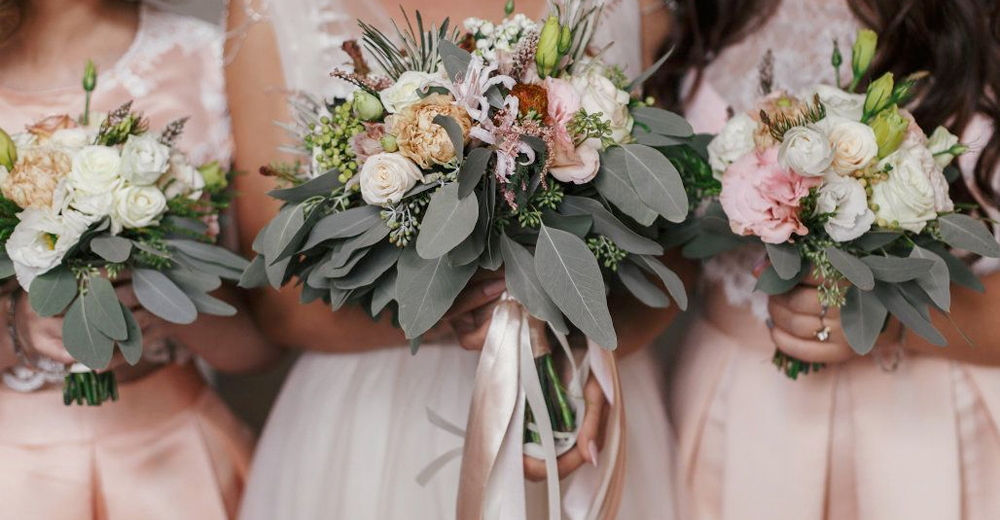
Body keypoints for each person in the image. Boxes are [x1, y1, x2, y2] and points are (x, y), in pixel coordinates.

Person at [225, 0, 688, 518]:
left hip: (588, 387)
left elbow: (677, 241)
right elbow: (276, 302)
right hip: (382, 420)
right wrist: (451, 310)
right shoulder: (273, 12)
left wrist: (590, 347)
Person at [655, 0, 1000, 518]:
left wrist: (891, 322)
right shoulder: (704, 11)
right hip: (745, 421)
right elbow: (668, 243)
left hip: (933, 424)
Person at [0, 1, 281, 518]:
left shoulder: (206, 57)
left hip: (179, 467)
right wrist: (18, 328)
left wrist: (170, 301)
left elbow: (263, 344)